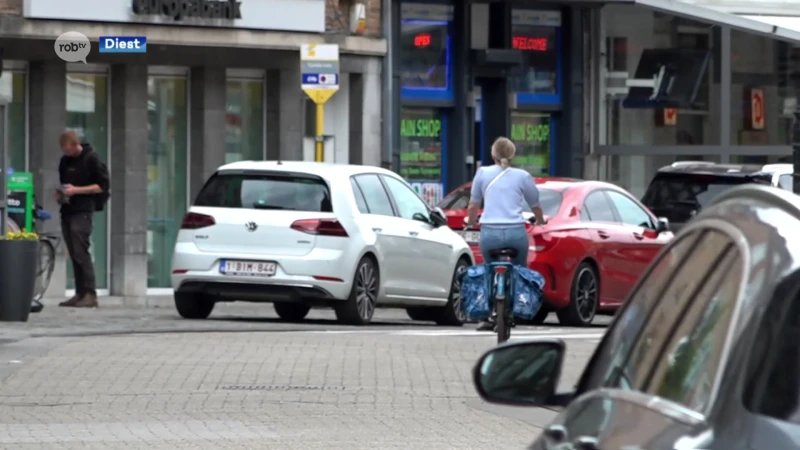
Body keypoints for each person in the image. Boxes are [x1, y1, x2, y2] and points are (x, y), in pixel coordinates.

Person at [464, 137, 546, 331]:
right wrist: (541, 221)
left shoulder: (482, 173)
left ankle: (488, 312)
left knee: (488, 269)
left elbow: (474, 204)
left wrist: (472, 221)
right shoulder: (523, 176)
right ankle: (516, 307)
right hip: (515, 234)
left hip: (489, 235)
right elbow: (535, 205)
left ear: (493, 155)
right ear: (513, 155)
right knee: (518, 269)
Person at [56, 131, 109, 308]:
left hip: (83, 210)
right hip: (68, 209)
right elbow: (64, 183)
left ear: (76, 144)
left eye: (69, 150)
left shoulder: (91, 159)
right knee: (73, 253)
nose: (67, 154)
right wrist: (61, 194)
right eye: (64, 151)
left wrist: (76, 190)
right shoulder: (65, 161)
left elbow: (101, 186)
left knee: (81, 251)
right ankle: (79, 293)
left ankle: (90, 293)